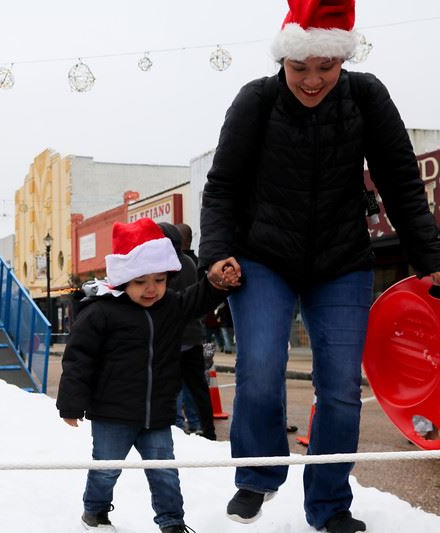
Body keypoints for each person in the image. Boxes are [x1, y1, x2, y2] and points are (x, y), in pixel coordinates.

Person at [199, 2, 440, 531]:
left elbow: (401, 179)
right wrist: (216, 254)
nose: (312, 80)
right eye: (299, 67)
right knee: (259, 370)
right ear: (284, 58)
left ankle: (330, 504)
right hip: (264, 257)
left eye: (325, 67)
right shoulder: (256, 101)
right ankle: (258, 475)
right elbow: (222, 187)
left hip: (341, 261)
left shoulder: (367, 96)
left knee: (338, 388)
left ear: (342, 60)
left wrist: (431, 259)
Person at [56, 218, 240, 533]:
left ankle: (172, 522)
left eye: (159, 279)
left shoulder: (170, 306)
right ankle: (95, 513)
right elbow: (79, 359)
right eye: (141, 281)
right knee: (106, 470)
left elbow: (197, 299)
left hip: (156, 413)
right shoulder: (101, 313)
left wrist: (216, 283)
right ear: (123, 279)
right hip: (112, 413)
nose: (151, 289)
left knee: (164, 471)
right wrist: (72, 404)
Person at [159, 222, 216, 441]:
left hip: (173, 338)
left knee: (171, 388)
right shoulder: (190, 263)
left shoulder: (168, 267)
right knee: (198, 388)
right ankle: (207, 430)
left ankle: (174, 428)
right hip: (191, 336)